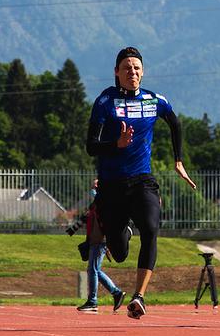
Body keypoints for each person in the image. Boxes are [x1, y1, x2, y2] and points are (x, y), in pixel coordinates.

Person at [86, 46, 197, 319]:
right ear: (116, 72)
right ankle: (122, 229)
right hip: (112, 186)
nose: (131, 72)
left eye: (136, 67)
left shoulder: (154, 100)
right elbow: (91, 146)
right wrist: (117, 143)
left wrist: (178, 160)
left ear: (142, 71)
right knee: (120, 253)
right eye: (126, 68)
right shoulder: (105, 102)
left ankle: (139, 297)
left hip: (142, 181)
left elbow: (175, 123)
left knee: (151, 228)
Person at [76, 180, 126, 313]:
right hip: (95, 240)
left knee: (93, 269)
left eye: (96, 188)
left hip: (100, 240)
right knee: (94, 269)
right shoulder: (97, 203)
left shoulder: (104, 202)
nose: (93, 189)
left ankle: (93, 301)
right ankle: (116, 293)